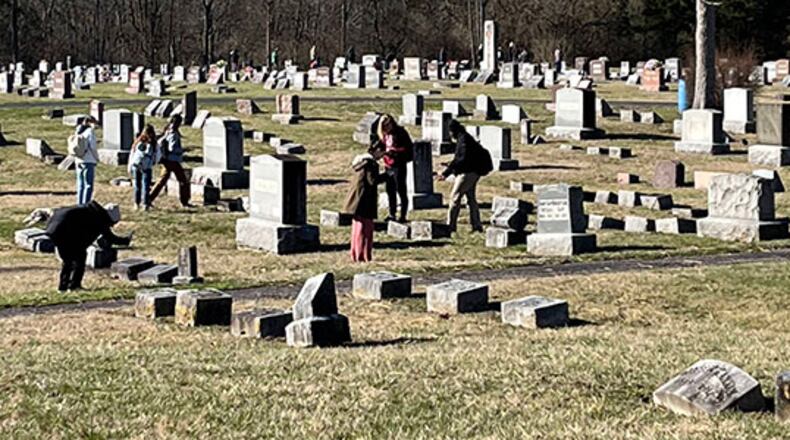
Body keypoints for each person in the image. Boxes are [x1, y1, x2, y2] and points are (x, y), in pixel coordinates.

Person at [45, 201, 132, 292]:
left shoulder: (91, 211)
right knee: (79, 257)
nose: (111, 226)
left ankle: (63, 287)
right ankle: (74, 286)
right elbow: (110, 238)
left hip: (53, 226)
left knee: (68, 260)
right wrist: (125, 241)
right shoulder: (100, 218)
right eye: (112, 223)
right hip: (63, 230)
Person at [438, 120, 493, 233]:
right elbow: (462, 158)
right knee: (471, 199)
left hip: (468, 173)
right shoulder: (464, 138)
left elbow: (462, 159)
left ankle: (451, 226)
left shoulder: (464, 140)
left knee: (455, 197)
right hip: (472, 171)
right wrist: (450, 165)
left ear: (453, 131)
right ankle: (476, 225)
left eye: (450, 132)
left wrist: (446, 173)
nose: (450, 135)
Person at [343, 144, 386, 263]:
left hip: (356, 199)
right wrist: (387, 175)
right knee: (366, 228)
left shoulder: (361, 162)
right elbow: (372, 181)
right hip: (365, 199)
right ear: (377, 150)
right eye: (382, 153)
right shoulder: (371, 164)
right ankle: (364, 255)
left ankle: (355, 253)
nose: (382, 156)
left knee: (357, 227)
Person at [376, 115, 413, 223]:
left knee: (401, 190)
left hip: (399, 165)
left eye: (386, 126)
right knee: (390, 190)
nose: (385, 130)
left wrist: (392, 153)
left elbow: (408, 150)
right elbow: (382, 146)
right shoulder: (385, 135)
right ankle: (392, 214)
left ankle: (403, 215)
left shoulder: (400, 133)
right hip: (388, 165)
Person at [149, 115, 191, 208]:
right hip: (173, 161)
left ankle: (149, 198)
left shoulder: (167, 130)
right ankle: (184, 201)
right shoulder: (174, 134)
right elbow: (172, 148)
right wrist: (182, 150)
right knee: (183, 180)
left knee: (161, 181)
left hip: (166, 160)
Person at [128, 124, 159, 211]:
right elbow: (157, 156)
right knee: (145, 185)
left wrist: (130, 165)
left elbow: (132, 153)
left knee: (137, 185)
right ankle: (145, 204)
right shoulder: (154, 144)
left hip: (136, 165)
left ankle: (136, 203)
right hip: (147, 166)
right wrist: (153, 163)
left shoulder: (138, 142)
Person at [74, 116, 99, 205]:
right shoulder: (90, 131)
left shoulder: (78, 131)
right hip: (88, 160)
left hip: (78, 160)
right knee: (88, 185)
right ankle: (85, 204)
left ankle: (79, 203)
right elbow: (92, 147)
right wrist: (96, 158)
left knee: (80, 185)